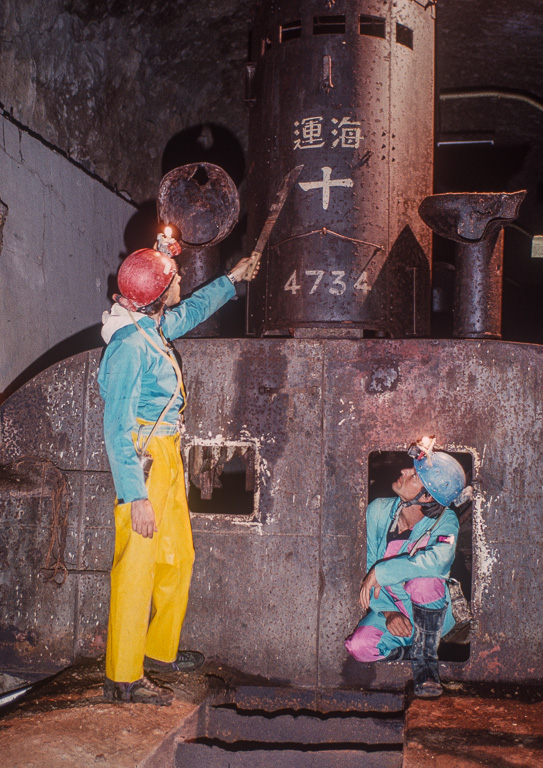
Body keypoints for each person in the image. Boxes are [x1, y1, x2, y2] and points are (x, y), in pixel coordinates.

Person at [98, 245, 255, 705]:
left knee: (178, 558)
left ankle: (155, 650)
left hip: (165, 456)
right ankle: (123, 676)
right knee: (136, 568)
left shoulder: (150, 325)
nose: (181, 283)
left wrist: (232, 279)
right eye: (174, 279)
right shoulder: (128, 347)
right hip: (144, 464)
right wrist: (135, 496)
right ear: (158, 294)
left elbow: (190, 311)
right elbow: (116, 429)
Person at [345, 439, 466, 698]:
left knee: (425, 580)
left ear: (426, 497)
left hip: (431, 613)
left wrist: (382, 572)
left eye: (414, 475)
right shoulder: (378, 511)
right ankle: (410, 651)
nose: (403, 471)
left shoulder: (445, 521)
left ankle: (425, 663)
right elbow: (367, 564)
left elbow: (439, 561)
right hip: (390, 605)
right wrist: (389, 613)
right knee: (360, 647)